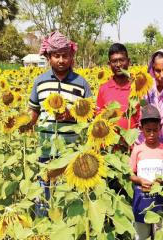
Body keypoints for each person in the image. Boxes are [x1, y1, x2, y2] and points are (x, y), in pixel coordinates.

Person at [21, 31, 93, 215]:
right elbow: (34, 110)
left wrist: (72, 116)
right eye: (56, 56)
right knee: (44, 199)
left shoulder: (81, 83)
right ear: (49, 57)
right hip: (45, 150)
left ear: (71, 56)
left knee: (68, 199)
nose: (61, 60)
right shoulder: (40, 82)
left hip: (70, 153)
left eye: (65, 56)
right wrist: (25, 123)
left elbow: (89, 117)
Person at [129, 104, 163, 240]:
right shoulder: (138, 150)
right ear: (141, 129)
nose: (152, 134)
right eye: (148, 131)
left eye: (155, 130)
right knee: (141, 234)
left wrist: (162, 180)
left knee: (160, 232)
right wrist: (140, 180)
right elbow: (130, 174)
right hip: (142, 198)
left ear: (160, 128)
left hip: (160, 198)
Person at [96, 43, 139, 130]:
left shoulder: (138, 87)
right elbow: (99, 118)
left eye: (122, 60)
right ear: (109, 64)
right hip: (111, 142)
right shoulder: (103, 89)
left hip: (135, 142)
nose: (118, 64)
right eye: (114, 61)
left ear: (129, 61)